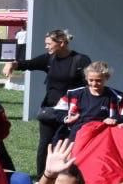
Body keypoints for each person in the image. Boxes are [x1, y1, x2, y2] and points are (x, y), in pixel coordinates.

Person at [5, 29, 91, 174]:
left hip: (72, 113)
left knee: (69, 146)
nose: (46, 47)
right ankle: (41, 179)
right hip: (50, 111)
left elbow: (89, 86)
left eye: (49, 44)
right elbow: (28, 64)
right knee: (45, 145)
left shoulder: (81, 60)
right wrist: (12, 64)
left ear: (62, 43)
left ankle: (69, 178)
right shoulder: (49, 59)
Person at [57, 61, 122, 141]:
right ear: (86, 78)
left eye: (98, 80)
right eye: (91, 80)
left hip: (102, 136)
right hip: (76, 134)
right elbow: (58, 111)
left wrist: (114, 119)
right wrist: (66, 118)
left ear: (106, 78)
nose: (94, 84)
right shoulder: (73, 94)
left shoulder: (117, 97)